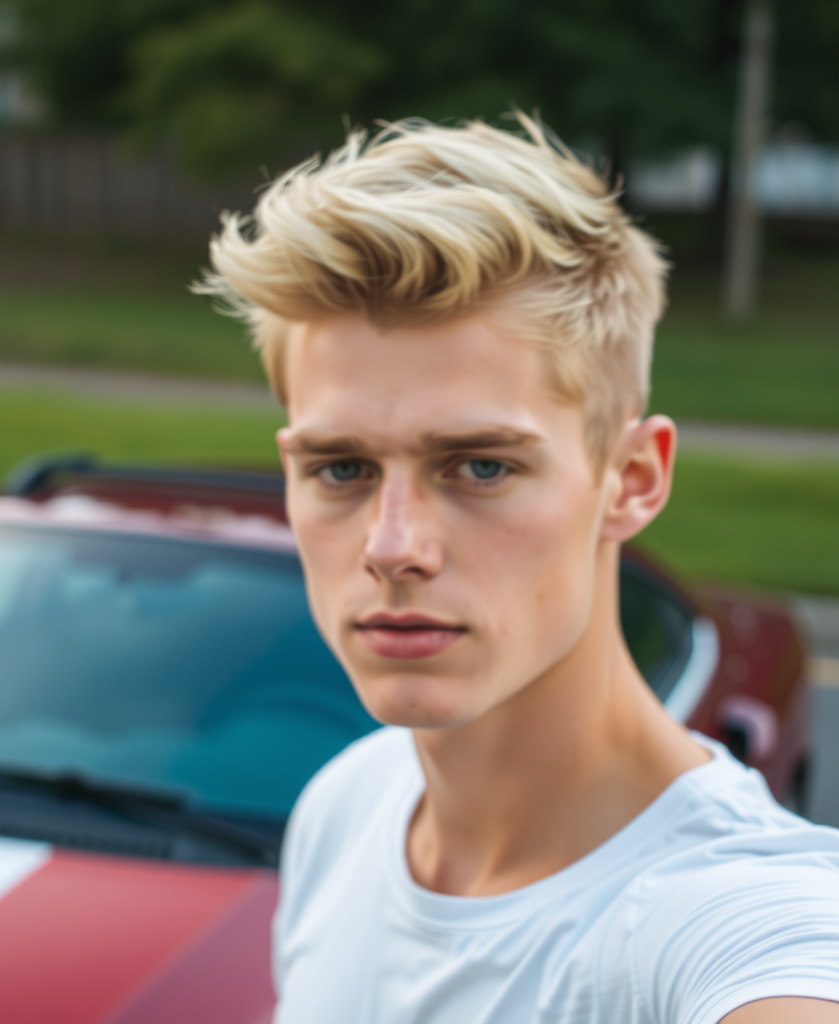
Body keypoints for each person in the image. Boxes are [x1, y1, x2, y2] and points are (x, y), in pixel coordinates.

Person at [197, 117, 839, 1023]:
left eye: (480, 466)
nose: (393, 546)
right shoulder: (348, 804)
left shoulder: (744, 922)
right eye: (341, 468)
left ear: (632, 479)